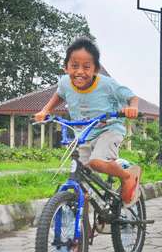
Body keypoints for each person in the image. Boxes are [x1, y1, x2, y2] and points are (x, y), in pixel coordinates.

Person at [35, 37, 142, 205]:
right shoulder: (64, 83)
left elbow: (131, 97)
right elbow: (59, 95)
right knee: (81, 182)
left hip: (109, 130)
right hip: (84, 134)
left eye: (86, 67)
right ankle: (85, 229)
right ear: (66, 67)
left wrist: (132, 107)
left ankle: (127, 176)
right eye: (74, 66)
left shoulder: (107, 84)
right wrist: (45, 110)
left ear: (95, 69)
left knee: (97, 162)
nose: (80, 71)